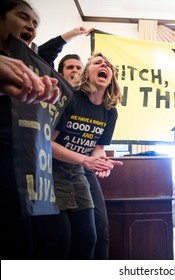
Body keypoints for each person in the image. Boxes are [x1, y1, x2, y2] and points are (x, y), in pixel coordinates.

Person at [0, 0, 65, 259]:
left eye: (35, 24)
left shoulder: (25, 69)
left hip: (20, 187)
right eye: (23, 17)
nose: (31, 27)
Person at [48, 52, 122, 259]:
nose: (104, 65)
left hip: (79, 171)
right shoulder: (70, 99)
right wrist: (84, 159)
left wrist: (100, 160)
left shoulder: (110, 111)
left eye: (108, 64)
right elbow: (46, 142)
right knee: (61, 239)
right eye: (98, 63)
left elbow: (97, 146)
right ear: (86, 73)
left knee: (90, 237)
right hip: (51, 171)